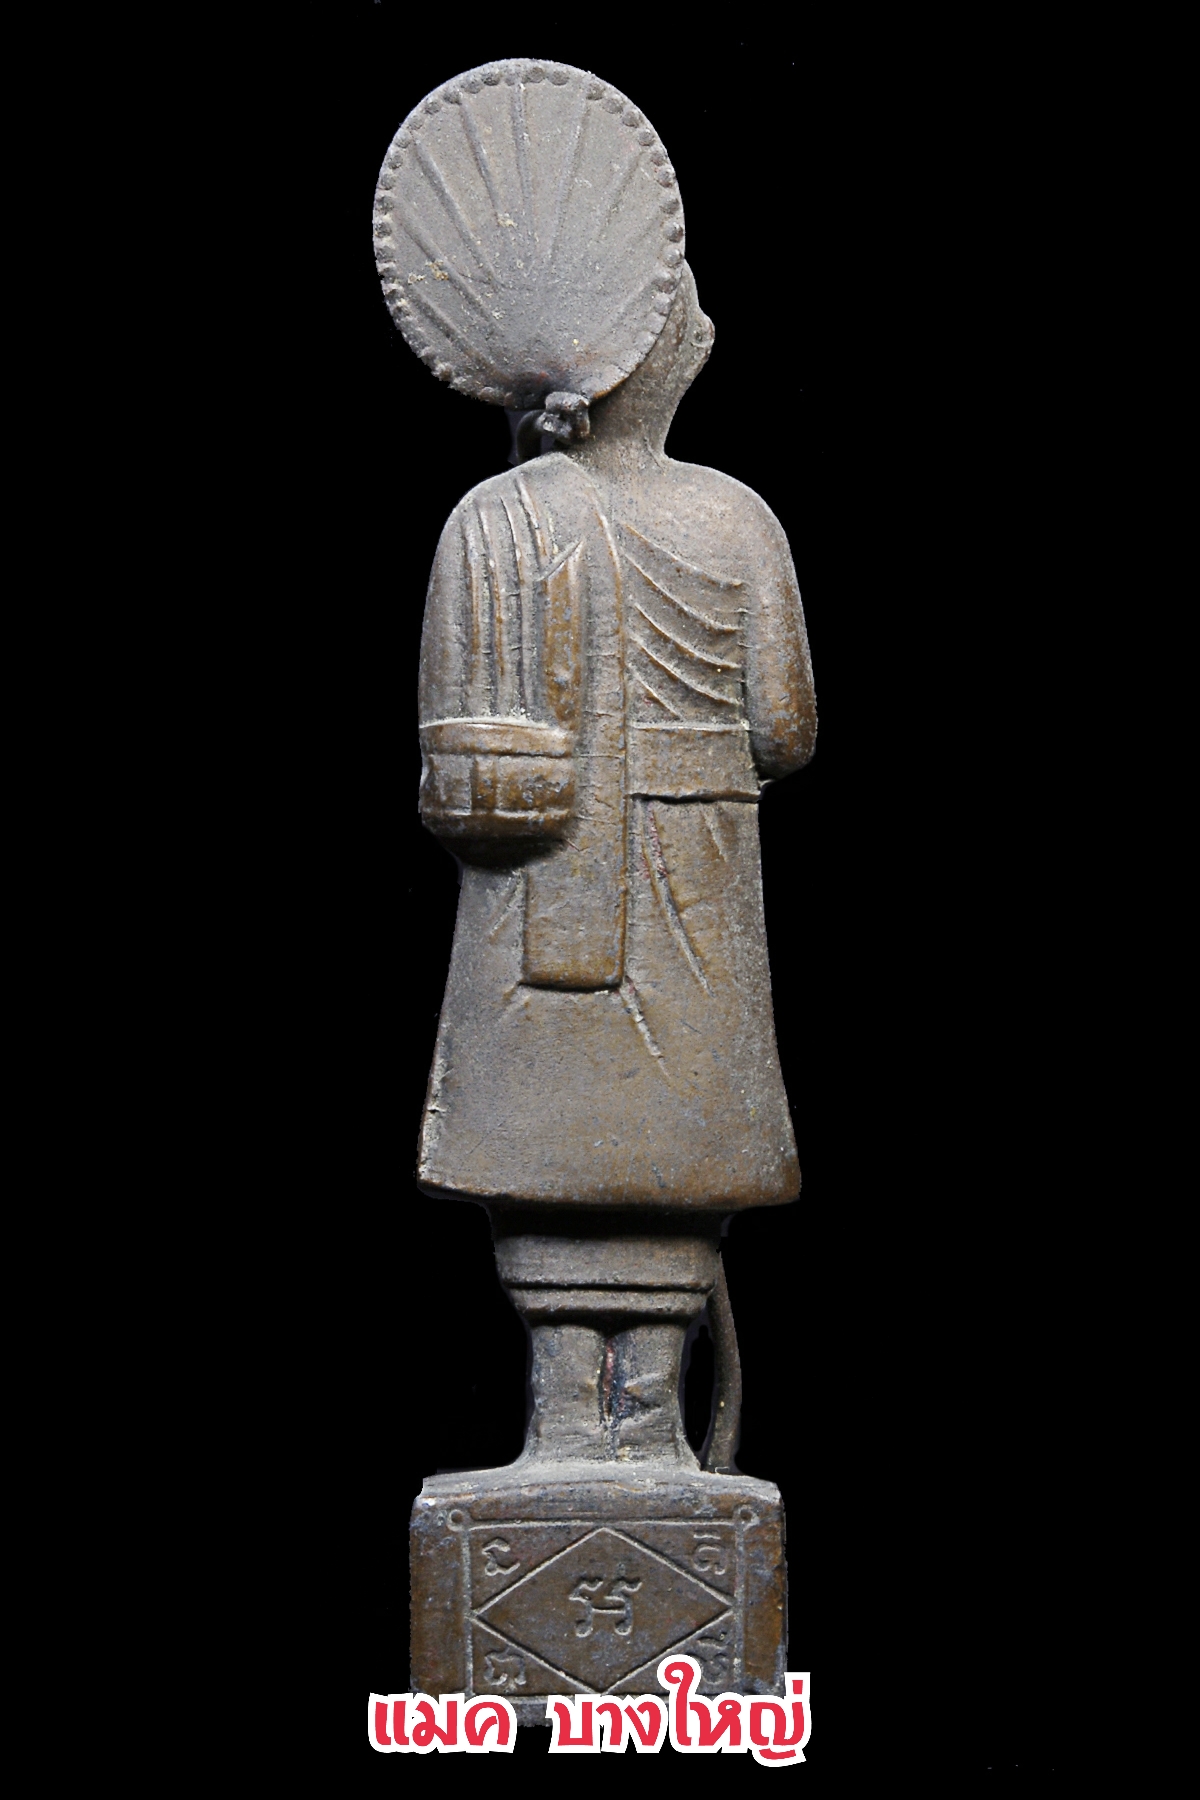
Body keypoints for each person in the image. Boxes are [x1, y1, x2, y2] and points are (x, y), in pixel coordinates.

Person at [414, 263, 817, 1209]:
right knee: (689, 1169)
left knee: (532, 1176)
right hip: (696, 860)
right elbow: (785, 734)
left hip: (535, 887)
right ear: (667, 357)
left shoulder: (494, 515)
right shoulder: (735, 517)